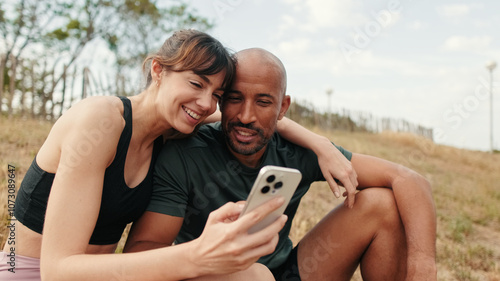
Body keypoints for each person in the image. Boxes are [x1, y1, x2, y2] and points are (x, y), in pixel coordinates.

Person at [0, 30, 306, 281]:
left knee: (255, 276)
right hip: (32, 275)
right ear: (158, 70)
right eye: (196, 83)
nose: (205, 103)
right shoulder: (101, 120)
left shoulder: (172, 129)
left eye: (216, 95)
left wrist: (321, 146)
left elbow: (249, 120)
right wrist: (198, 254)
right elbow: (57, 271)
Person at [124, 48, 438, 280]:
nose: (246, 116)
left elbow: (409, 179)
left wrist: (421, 267)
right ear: (220, 101)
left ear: (282, 107)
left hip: (289, 271)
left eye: (263, 102)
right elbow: (141, 252)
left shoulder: (297, 150)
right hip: (212, 273)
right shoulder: (185, 153)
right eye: (235, 99)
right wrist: (205, 252)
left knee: (381, 203)